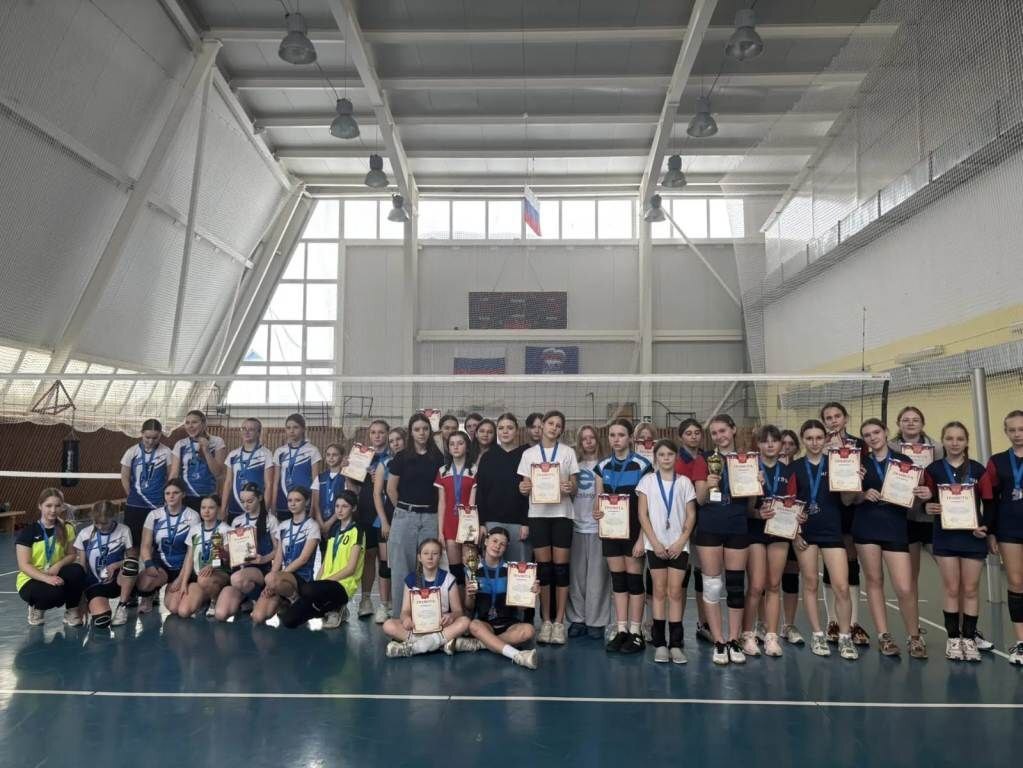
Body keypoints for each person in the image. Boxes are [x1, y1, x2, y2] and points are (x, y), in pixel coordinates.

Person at [843, 419, 926, 658]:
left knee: (905, 586)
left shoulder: (904, 461)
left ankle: (914, 637)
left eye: (876, 432)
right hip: (866, 527)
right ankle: (884, 636)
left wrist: (919, 492)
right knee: (874, 581)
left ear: (886, 432)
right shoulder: (859, 463)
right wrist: (860, 492)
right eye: (867, 435)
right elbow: (847, 500)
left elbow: (914, 502)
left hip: (895, 528)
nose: (872, 437)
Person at [790, 420, 858, 660]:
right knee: (810, 583)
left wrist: (853, 483)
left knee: (841, 586)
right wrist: (795, 533)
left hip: (831, 531)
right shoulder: (794, 468)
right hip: (805, 532)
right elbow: (788, 503)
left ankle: (845, 636)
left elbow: (847, 501)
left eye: (819, 438)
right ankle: (817, 634)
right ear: (802, 439)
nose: (814, 442)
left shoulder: (837, 463)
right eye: (809, 438)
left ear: (825, 439)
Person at [919, 422, 988, 661]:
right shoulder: (933, 469)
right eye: (949, 438)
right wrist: (927, 506)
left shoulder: (978, 469)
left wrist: (986, 527)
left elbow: (990, 503)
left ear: (966, 441)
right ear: (943, 441)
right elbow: (925, 501)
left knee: (970, 589)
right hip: (945, 536)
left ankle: (968, 638)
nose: (955, 443)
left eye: (960, 438)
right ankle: (953, 639)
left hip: (973, 537)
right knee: (951, 588)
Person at [517, 410, 580, 645]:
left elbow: (574, 486)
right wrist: (523, 488)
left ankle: (559, 622)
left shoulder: (568, 452)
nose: (554, 427)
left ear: (561, 430)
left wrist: (569, 487)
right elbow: (524, 485)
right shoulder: (529, 454)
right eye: (550, 423)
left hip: (562, 515)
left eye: (558, 425)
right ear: (542, 425)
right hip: (538, 516)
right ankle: (545, 621)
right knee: (544, 570)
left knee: (561, 569)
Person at [693, 414, 750, 665]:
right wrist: (707, 484)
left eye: (723, 431)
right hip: (710, 527)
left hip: (737, 525)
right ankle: (718, 640)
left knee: (736, 586)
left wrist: (757, 483)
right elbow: (699, 499)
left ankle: (734, 639)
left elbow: (751, 501)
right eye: (714, 433)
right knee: (713, 585)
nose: (719, 436)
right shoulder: (703, 459)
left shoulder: (747, 459)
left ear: (733, 429)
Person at [594, 418, 653, 655]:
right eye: (612, 435)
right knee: (618, 581)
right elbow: (598, 500)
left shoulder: (642, 465)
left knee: (634, 581)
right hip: (611, 533)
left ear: (630, 438)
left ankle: (636, 632)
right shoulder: (602, 466)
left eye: (621, 435)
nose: (616, 439)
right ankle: (621, 629)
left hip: (634, 533)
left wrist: (642, 539)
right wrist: (596, 512)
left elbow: (647, 508)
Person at [637, 439, 697, 664]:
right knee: (659, 593)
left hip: (679, 546)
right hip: (656, 546)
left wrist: (681, 541)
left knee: (676, 593)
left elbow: (691, 514)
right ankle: (660, 643)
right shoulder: (647, 481)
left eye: (670, 454)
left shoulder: (685, 482)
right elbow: (642, 515)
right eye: (661, 455)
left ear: (676, 457)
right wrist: (654, 542)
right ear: (656, 458)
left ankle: (676, 644)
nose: (665, 458)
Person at [741, 425, 797, 658]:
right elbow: (745, 509)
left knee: (774, 585)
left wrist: (798, 517)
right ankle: (747, 634)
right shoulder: (750, 468)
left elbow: (794, 501)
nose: (770, 444)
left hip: (779, 531)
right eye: (765, 441)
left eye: (775, 440)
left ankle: (772, 636)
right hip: (755, 531)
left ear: (782, 444)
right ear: (758, 444)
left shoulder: (790, 471)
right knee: (756, 586)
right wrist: (756, 502)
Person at [475, 413, 533, 625]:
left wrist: (526, 521)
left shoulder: (526, 454)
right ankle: (491, 617)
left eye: (509, 427)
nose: (505, 431)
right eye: (501, 428)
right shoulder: (488, 457)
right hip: (493, 523)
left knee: (519, 573)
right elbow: (481, 492)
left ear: (517, 430)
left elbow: (530, 491)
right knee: (493, 571)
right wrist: (482, 523)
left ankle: (522, 620)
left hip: (519, 524)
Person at [820, 402, 869, 646]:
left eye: (837, 416)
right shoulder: (820, 444)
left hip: (851, 507)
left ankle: (853, 622)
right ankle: (832, 621)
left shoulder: (859, 444)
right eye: (828, 417)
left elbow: (866, 473)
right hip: (828, 507)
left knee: (850, 564)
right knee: (830, 566)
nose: (833, 421)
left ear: (846, 418)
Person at [386, 413, 445, 613]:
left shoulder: (438, 458)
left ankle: (425, 616)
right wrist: (404, 509)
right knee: (401, 568)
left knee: (428, 566)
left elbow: (441, 491)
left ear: (430, 431)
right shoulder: (401, 457)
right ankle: (399, 616)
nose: (421, 433)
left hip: (430, 517)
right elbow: (391, 489)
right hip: (405, 516)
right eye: (417, 429)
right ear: (411, 433)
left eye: (425, 429)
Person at [282, 489, 365, 629]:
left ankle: (337, 608)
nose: (339, 510)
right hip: (326, 584)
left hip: (344, 586)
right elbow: (325, 563)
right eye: (337, 506)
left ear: (354, 508)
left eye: (344, 506)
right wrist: (318, 582)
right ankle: (325, 609)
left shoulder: (357, 531)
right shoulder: (334, 531)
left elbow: (351, 569)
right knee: (289, 620)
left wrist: (324, 582)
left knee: (309, 590)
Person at [460, 527, 540, 669]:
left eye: (502, 544)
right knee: (473, 625)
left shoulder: (512, 570)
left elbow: (521, 608)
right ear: (486, 542)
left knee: (529, 630)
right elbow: (469, 607)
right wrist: (469, 594)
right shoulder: (472, 569)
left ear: (506, 548)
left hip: (509, 625)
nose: (497, 546)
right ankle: (517, 655)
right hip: (485, 625)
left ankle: (480, 644)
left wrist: (530, 594)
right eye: (494, 541)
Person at [980, 410, 1023, 664]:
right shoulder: (997, 461)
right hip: (1009, 530)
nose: (1017, 434)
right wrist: (991, 531)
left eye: (1022, 429)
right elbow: (990, 500)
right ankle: (1021, 641)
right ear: (1006, 432)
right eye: (1012, 430)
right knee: (1016, 583)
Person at [381, 538, 471, 658]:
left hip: (441, 626)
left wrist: (451, 616)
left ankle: (415, 647)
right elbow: (405, 611)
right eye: (426, 553)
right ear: (419, 557)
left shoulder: (449, 579)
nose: (430, 557)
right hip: (417, 627)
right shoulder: (411, 579)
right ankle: (439, 643)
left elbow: (458, 611)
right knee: (388, 625)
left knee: (465, 621)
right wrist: (406, 619)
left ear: (440, 557)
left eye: (435, 553)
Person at [17, 488, 86, 626]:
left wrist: (57, 566)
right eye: (48, 505)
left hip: (55, 572)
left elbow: (72, 554)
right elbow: (24, 565)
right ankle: (36, 608)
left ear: (62, 507)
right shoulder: (28, 532)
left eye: (57, 506)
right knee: (55, 595)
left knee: (77, 570)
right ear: (40, 506)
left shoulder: (67, 528)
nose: (53, 510)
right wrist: (46, 578)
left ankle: (72, 610)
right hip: (32, 578)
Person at [252, 487, 321, 624]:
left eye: (297, 500)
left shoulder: (312, 526)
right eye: (290, 500)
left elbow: (303, 559)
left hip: (302, 578)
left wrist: (276, 577)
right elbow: (278, 558)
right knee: (258, 617)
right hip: (281, 579)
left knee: (271, 578)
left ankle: (296, 599)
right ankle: (284, 600)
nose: (293, 504)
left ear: (307, 502)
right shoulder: (283, 526)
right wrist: (269, 584)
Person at [566, 425, 610, 640]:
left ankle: (596, 621)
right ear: (579, 442)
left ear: (597, 440)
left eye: (592, 437)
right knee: (576, 577)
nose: (589, 441)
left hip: (598, 528)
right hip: (576, 525)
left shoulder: (606, 465)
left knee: (598, 577)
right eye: (584, 439)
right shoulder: (573, 466)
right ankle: (577, 619)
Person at [214, 483, 280, 621]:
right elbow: (232, 552)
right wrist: (223, 553)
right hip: (239, 571)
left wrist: (264, 559)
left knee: (237, 579)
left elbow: (278, 550)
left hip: (260, 570)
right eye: (242, 501)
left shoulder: (271, 520)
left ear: (260, 498)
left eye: (250, 501)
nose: (245, 505)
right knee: (220, 614)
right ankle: (246, 598)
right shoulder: (237, 521)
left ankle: (258, 598)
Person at [136, 478, 200, 615]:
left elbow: (192, 552)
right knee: (145, 581)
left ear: (183, 494)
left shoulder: (192, 516)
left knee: (175, 608)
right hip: (161, 565)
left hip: (183, 566)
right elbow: (145, 546)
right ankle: (148, 596)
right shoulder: (154, 515)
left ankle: (191, 591)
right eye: (167, 493)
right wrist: (148, 564)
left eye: (175, 493)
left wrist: (180, 578)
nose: (171, 496)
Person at [674, 418, 712, 643]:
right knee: (680, 576)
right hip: (680, 527)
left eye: (697, 432)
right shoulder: (674, 460)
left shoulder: (708, 459)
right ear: (681, 437)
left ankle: (703, 623)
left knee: (702, 576)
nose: (693, 436)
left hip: (704, 524)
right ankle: (675, 626)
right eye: (688, 433)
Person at [74, 500, 136, 627]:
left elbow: (132, 558)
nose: (100, 526)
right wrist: (81, 599)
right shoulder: (84, 534)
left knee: (131, 565)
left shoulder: (124, 530)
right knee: (101, 622)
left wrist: (115, 566)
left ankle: (122, 607)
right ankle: (96, 604)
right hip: (95, 584)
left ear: (113, 517)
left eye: (104, 523)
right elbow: (82, 568)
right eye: (96, 522)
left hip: (117, 581)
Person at [120, 418, 173, 563]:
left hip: (157, 505)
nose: (150, 441)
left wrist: (165, 497)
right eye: (147, 437)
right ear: (141, 433)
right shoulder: (132, 451)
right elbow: (124, 476)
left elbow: (171, 477)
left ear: (160, 435)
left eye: (155, 438)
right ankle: (132, 572)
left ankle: (153, 571)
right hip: (135, 505)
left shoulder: (166, 452)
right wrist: (131, 495)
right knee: (133, 545)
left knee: (155, 543)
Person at [353, 419, 390, 618]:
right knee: (368, 556)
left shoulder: (394, 457)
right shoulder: (363, 456)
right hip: (366, 511)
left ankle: (388, 602)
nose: (377, 436)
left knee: (387, 560)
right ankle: (365, 599)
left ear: (387, 434)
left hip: (387, 513)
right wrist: (348, 470)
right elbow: (355, 487)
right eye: (373, 432)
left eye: (381, 432)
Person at [176, 494, 230, 618]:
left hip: (220, 574)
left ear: (218, 509)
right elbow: (189, 558)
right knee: (183, 612)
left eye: (211, 508)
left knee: (204, 579)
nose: (206, 511)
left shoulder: (225, 529)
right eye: (203, 507)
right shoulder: (194, 529)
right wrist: (184, 582)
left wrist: (213, 565)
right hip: (199, 576)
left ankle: (215, 599)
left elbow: (228, 558)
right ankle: (204, 598)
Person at [371, 427, 405, 623]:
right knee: (385, 564)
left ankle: (407, 604)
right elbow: (377, 494)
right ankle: (384, 605)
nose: (395, 443)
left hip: (408, 518)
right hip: (388, 517)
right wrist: (383, 520)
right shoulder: (384, 463)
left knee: (407, 563)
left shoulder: (412, 462)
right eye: (392, 441)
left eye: (398, 439)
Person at [436, 430, 476, 593]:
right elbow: (442, 503)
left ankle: (470, 604)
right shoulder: (442, 471)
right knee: (455, 570)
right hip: (449, 524)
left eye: (460, 443)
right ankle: (457, 604)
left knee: (470, 568)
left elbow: (473, 502)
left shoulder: (474, 470)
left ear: (467, 447)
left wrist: (471, 527)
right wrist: (440, 531)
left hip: (468, 524)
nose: (456, 447)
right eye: (452, 444)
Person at [777, 427, 804, 646]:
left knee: (791, 576)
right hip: (768, 529)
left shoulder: (799, 469)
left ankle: (788, 624)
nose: (786, 447)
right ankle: (761, 624)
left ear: (797, 447)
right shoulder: (762, 467)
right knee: (765, 579)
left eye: (790, 444)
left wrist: (797, 531)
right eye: (782, 443)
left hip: (792, 528)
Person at [170, 410, 227, 511]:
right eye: (187, 423)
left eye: (194, 422)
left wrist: (206, 450)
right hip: (186, 496)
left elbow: (218, 473)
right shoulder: (181, 444)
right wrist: (169, 496)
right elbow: (174, 474)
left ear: (204, 424)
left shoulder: (217, 442)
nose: (190, 426)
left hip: (209, 497)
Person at [272, 413, 321, 522]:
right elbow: (275, 482)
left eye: (295, 427)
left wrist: (313, 506)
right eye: (288, 428)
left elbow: (315, 482)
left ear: (303, 429)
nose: (291, 431)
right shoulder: (280, 452)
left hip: (304, 502)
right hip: (283, 502)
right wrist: (273, 505)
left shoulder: (312, 450)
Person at [222, 418, 274, 520]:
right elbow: (228, 483)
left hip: (256, 509)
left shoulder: (266, 454)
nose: (246, 432)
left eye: (251, 429)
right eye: (244, 429)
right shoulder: (233, 455)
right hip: (235, 507)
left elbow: (269, 485)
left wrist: (264, 510)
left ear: (258, 432)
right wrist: (223, 508)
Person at [313, 443, 347, 543]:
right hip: (320, 521)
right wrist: (321, 523)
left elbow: (347, 502)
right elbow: (315, 503)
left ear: (342, 456)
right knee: (323, 550)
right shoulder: (320, 477)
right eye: (328, 455)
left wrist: (329, 523)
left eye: (334, 455)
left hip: (338, 521)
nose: (331, 458)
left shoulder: (345, 477)